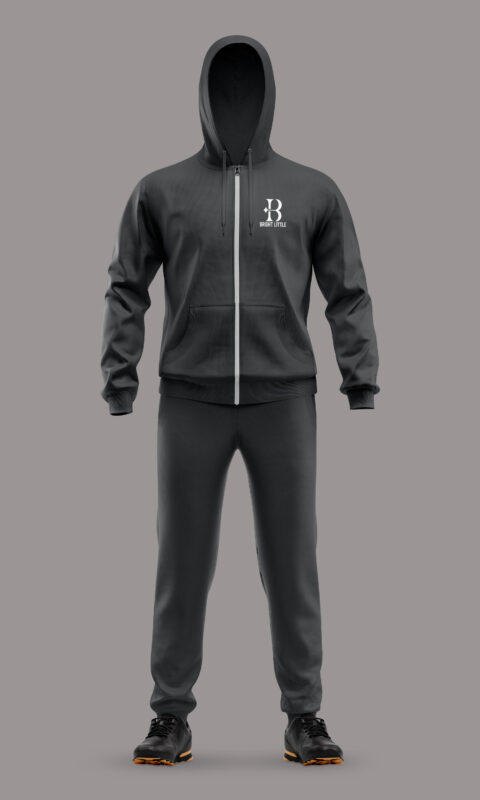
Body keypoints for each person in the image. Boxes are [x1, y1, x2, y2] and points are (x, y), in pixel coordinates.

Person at [100, 34, 380, 767]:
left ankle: (305, 714)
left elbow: (347, 289)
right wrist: (120, 377)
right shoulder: (161, 190)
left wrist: (359, 376)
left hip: (283, 399)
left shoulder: (312, 190)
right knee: (182, 559)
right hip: (188, 400)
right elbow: (127, 285)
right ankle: (169, 716)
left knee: (292, 558)